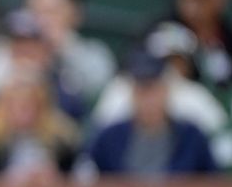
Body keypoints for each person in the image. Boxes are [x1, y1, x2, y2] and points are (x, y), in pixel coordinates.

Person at [86, 48, 218, 178]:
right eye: (141, 90)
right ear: (132, 94)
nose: (148, 100)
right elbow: (85, 179)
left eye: (154, 89)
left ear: (166, 91)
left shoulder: (191, 137)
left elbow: (217, 183)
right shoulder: (109, 138)